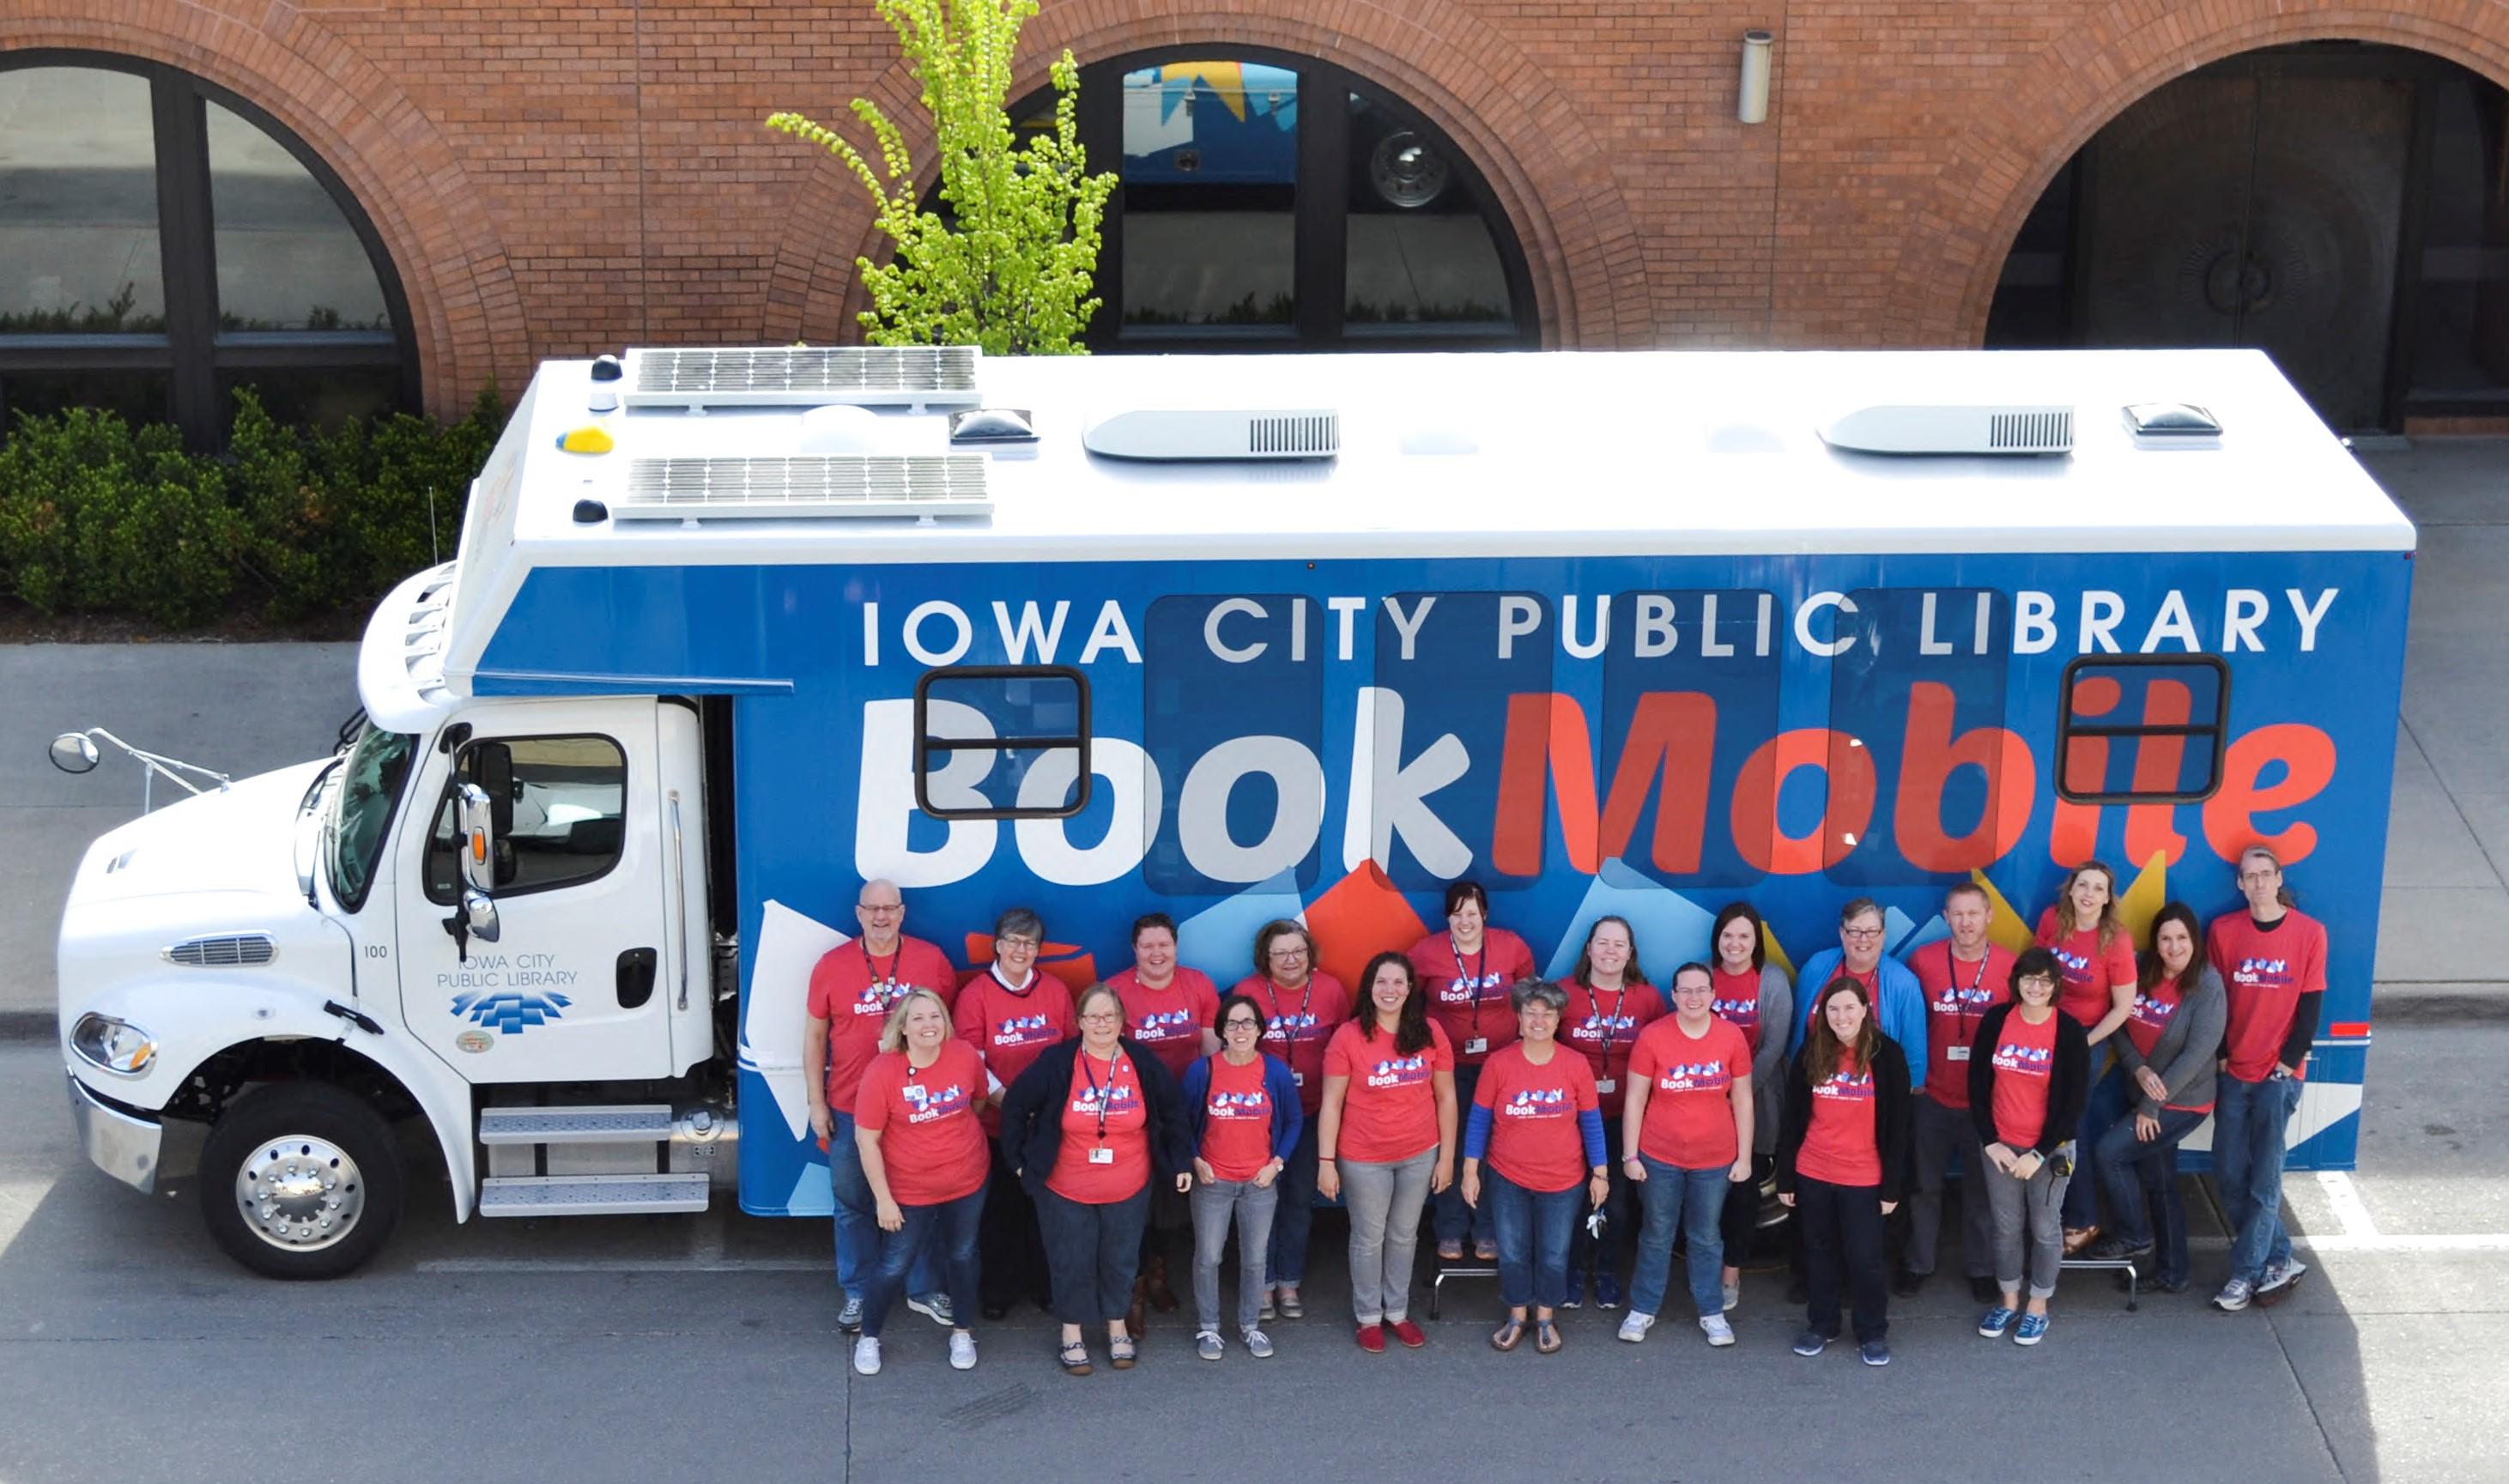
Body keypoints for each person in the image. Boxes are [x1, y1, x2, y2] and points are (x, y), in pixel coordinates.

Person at [998, 984, 1195, 1376]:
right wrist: (1020, 1163)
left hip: (1129, 1186)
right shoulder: (1057, 1062)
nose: (1102, 1023)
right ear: (1079, 1022)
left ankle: (1116, 1325)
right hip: (1064, 1187)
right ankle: (1072, 1333)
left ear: (1122, 1022)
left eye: (1110, 1016)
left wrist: (1181, 1162)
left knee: (1120, 1260)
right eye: (1093, 1016)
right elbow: (1016, 1106)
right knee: (1071, 1260)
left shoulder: (1142, 1062)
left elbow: (1173, 1111)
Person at [803, 878, 959, 1331]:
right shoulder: (831, 965)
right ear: (858, 913)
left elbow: (948, 1033)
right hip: (850, 1105)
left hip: (917, 1108)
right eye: (872, 908)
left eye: (890, 908)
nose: (881, 917)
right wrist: (817, 1101)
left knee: (922, 1200)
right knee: (852, 1203)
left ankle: (925, 1290)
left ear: (903, 913)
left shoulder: (931, 960)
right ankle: (857, 1291)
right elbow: (814, 1038)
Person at [2205, 846, 2327, 1313]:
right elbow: (2214, 1000)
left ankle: (2246, 1274)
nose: (2257, 883)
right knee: (2230, 1174)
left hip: (2278, 1076)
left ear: (2279, 879)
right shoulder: (2224, 931)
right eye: (2249, 876)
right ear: (2240, 884)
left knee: (2264, 1180)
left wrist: (2287, 1063)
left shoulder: (2310, 933)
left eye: (2265, 875)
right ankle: (2280, 1258)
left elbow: (2311, 1005)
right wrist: (2220, 1057)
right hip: (2234, 1072)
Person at [1317, 951, 1458, 1352]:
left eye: (1398, 982)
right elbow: (1332, 1104)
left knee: (1404, 1235)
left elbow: (1446, 1097)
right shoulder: (1348, 1036)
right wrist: (1326, 1163)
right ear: (1369, 988)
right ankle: (1368, 1317)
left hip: (1419, 1152)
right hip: (1364, 1158)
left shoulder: (1430, 1031)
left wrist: (1446, 1157)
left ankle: (1396, 1311)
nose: (1390, 990)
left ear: (1410, 989)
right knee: (1369, 1236)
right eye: (1382, 982)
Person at [1459, 980, 1608, 1356]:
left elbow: (1591, 1122)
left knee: (1555, 1253)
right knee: (1512, 1251)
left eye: (1547, 1014)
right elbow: (1479, 1119)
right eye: (1531, 1013)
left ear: (1558, 1020)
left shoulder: (1575, 1065)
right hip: (1508, 1176)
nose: (1538, 1020)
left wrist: (1600, 1172)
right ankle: (1516, 1315)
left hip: (1564, 1179)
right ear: (1519, 1019)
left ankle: (1545, 1317)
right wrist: (1470, 1170)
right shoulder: (1499, 1063)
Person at [850, 988, 991, 1376]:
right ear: (903, 1027)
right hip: (909, 1192)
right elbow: (867, 1139)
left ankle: (962, 1332)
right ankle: (869, 1338)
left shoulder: (964, 1055)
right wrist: (883, 1200)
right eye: (918, 1018)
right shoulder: (883, 1071)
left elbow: (976, 1103)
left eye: (935, 1017)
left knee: (963, 1257)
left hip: (968, 1181)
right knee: (894, 1265)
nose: (928, 1025)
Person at [2087, 903, 2226, 1294]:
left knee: (2109, 1153)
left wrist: (2151, 1107)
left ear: (2194, 941)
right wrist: (2138, 1068)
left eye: (2182, 938)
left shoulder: (2207, 985)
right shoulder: (2143, 968)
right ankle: (2173, 1272)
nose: (2174, 946)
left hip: (2183, 1102)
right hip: (2142, 1090)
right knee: (2160, 1181)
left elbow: (2195, 1056)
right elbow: (2116, 1018)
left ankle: (2133, 1233)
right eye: (2166, 938)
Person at [1776, 977, 1913, 1366]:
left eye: (1850, 1008)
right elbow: (1793, 1119)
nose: (1842, 1016)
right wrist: (1786, 1176)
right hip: (1814, 1171)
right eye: (1833, 1009)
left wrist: (1892, 1187)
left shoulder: (1888, 1056)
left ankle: (1872, 1331)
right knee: (1819, 1253)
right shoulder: (1812, 1051)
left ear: (1866, 1010)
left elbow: (1900, 1127)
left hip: (1864, 1177)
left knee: (1865, 1258)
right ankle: (1822, 1324)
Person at [1619, 962, 1754, 1348]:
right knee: (1657, 1234)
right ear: (1674, 995)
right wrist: (1631, 1156)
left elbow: (1743, 1099)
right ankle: (1643, 1308)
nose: (1694, 997)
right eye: (1686, 991)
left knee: (1706, 1237)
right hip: (1659, 1155)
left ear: (1713, 995)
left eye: (1701, 990)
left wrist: (1744, 1158)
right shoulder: (1652, 1037)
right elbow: (1635, 1097)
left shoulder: (1731, 1037)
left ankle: (1711, 1311)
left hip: (1715, 1159)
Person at [953, 907, 1075, 1320]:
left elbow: (1070, 1055)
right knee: (1000, 1214)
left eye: (1030, 943)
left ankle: (1045, 1287)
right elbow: (972, 1062)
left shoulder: (1056, 991)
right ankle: (999, 1291)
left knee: (1046, 1214)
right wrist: (1014, 1105)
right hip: (997, 1125)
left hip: (1047, 1127)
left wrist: (1046, 1109)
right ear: (998, 945)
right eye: (1014, 941)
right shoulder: (975, 996)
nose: (1021, 950)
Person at [1408, 881, 1538, 1262]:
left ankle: (1488, 1229)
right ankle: (1450, 1228)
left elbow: (1531, 999)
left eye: (1472, 912)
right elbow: (1406, 1003)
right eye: (1456, 913)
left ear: (1485, 913)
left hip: (1500, 1066)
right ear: (1446, 916)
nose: (1465, 921)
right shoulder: (1427, 952)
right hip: (1447, 1070)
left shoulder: (1511, 946)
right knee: (1454, 1146)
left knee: (1496, 1148)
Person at [1900, 881, 2016, 1302]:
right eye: (1957, 914)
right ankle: (1918, 1264)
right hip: (1931, 1095)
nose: (1966, 922)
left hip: (1986, 1102)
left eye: (1973, 913)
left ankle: (1982, 1268)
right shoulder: (1923, 961)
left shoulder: (2009, 966)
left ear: (1989, 916)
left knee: (1980, 1190)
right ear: (1946, 919)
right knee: (1923, 1187)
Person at [1231, 920, 1352, 1321]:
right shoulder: (1248, 993)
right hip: (1258, 1117)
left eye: (1297, 951)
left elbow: (1345, 1049)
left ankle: (1289, 1282)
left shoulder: (1331, 990)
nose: (1290, 960)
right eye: (1280, 952)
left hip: (1313, 1113)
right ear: (1265, 958)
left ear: (1309, 953)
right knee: (1260, 1201)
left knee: (1299, 1200)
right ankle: (1261, 1284)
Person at [1968, 949, 2090, 1345]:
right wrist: (1990, 1142)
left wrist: (2038, 1153)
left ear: (2055, 987)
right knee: (2005, 1228)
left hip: (2050, 1152)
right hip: (2001, 1147)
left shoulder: (2068, 1031)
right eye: (2028, 979)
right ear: (2016, 981)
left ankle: (2037, 1306)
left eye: (2044, 980)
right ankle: (2008, 1300)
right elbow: (1976, 1086)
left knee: (2044, 1228)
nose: (2035, 987)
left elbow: (2073, 1103)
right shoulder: (1995, 1021)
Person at [1108, 912, 1221, 1320]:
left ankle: (1158, 1275)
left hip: (1183, 1115)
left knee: (1171, 1206)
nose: (1157, 953)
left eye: (1164, 944)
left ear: (1175, 947)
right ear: (1134, 949)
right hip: (1132, 1116)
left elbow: (1211, 1052)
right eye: (1147, 945)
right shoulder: (1115, 991)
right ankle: (1133, 1288)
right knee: (1134, 1204)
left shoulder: (1199, 985)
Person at [1179, 994, 1303, 1360]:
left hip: (1259, 1183)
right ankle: (1209, 1328)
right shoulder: (1203, 1071)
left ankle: (1250, 1326)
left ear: (1260, 1029)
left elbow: (1295, 1121)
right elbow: (1182, 1123)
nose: (1240, 1030)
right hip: (1213, 1181)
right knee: (1209, 1257)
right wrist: (1194, 1159)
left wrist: (1276, 1163)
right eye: (1232, 1023)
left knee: (1254, 1259)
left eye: (1248, 1022)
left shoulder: (1274, 1071)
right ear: (1221, 1030)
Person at [1560, 915, 1664, 1309]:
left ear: (1630, 953)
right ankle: (1570, 1272)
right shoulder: (1565, 993)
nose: (1610, 951)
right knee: (1572, 1199)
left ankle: (1606, 1273)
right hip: (1571, 1118)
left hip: (1626, 1117)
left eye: (1619, 944)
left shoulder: (1647, 998)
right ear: (1588, 949)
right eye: (1602, 943)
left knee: (1617, 1203)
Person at [2034, 858, 2139, 1251]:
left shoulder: (2116, 940)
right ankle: (2047, 1210)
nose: (2089, 894)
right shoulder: (2052, 921)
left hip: (2088, 1041)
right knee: (2041, 1121)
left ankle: (2083, 1218)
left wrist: (2087, 1041)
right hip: (2046, 1033)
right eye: (2083, 885)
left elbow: (2122, 1006)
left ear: (2108, 897)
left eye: (2099, 888)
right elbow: (2036, 974)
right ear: (2071, 890)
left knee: (2070, 1128)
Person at [1707, 901, 1791, 1311]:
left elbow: (1774, 1047)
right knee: (1707, 1194)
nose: (1734, 943)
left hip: (1757, 1103)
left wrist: (1735, 1093)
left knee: (1743, 1195)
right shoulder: (1703, 978)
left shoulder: (1771, 980)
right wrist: (1711, 1095)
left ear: (1756, 942)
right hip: (1703, 1106)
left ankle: (1730, 1274)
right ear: (1717, 939)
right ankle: (1704, 1268)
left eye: (1744, 936)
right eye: (1727, 935)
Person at [1788, 898, 1928, 1093]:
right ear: (1842, 933)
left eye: (1872, 932)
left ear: (1883, 935)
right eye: (1854, 931)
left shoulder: (1903, 983)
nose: (1863, 939)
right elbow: (1798, 1029)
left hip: (1877, 1094)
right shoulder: (1816, 967)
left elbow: (1914, 1052)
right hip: (1815, 1087)